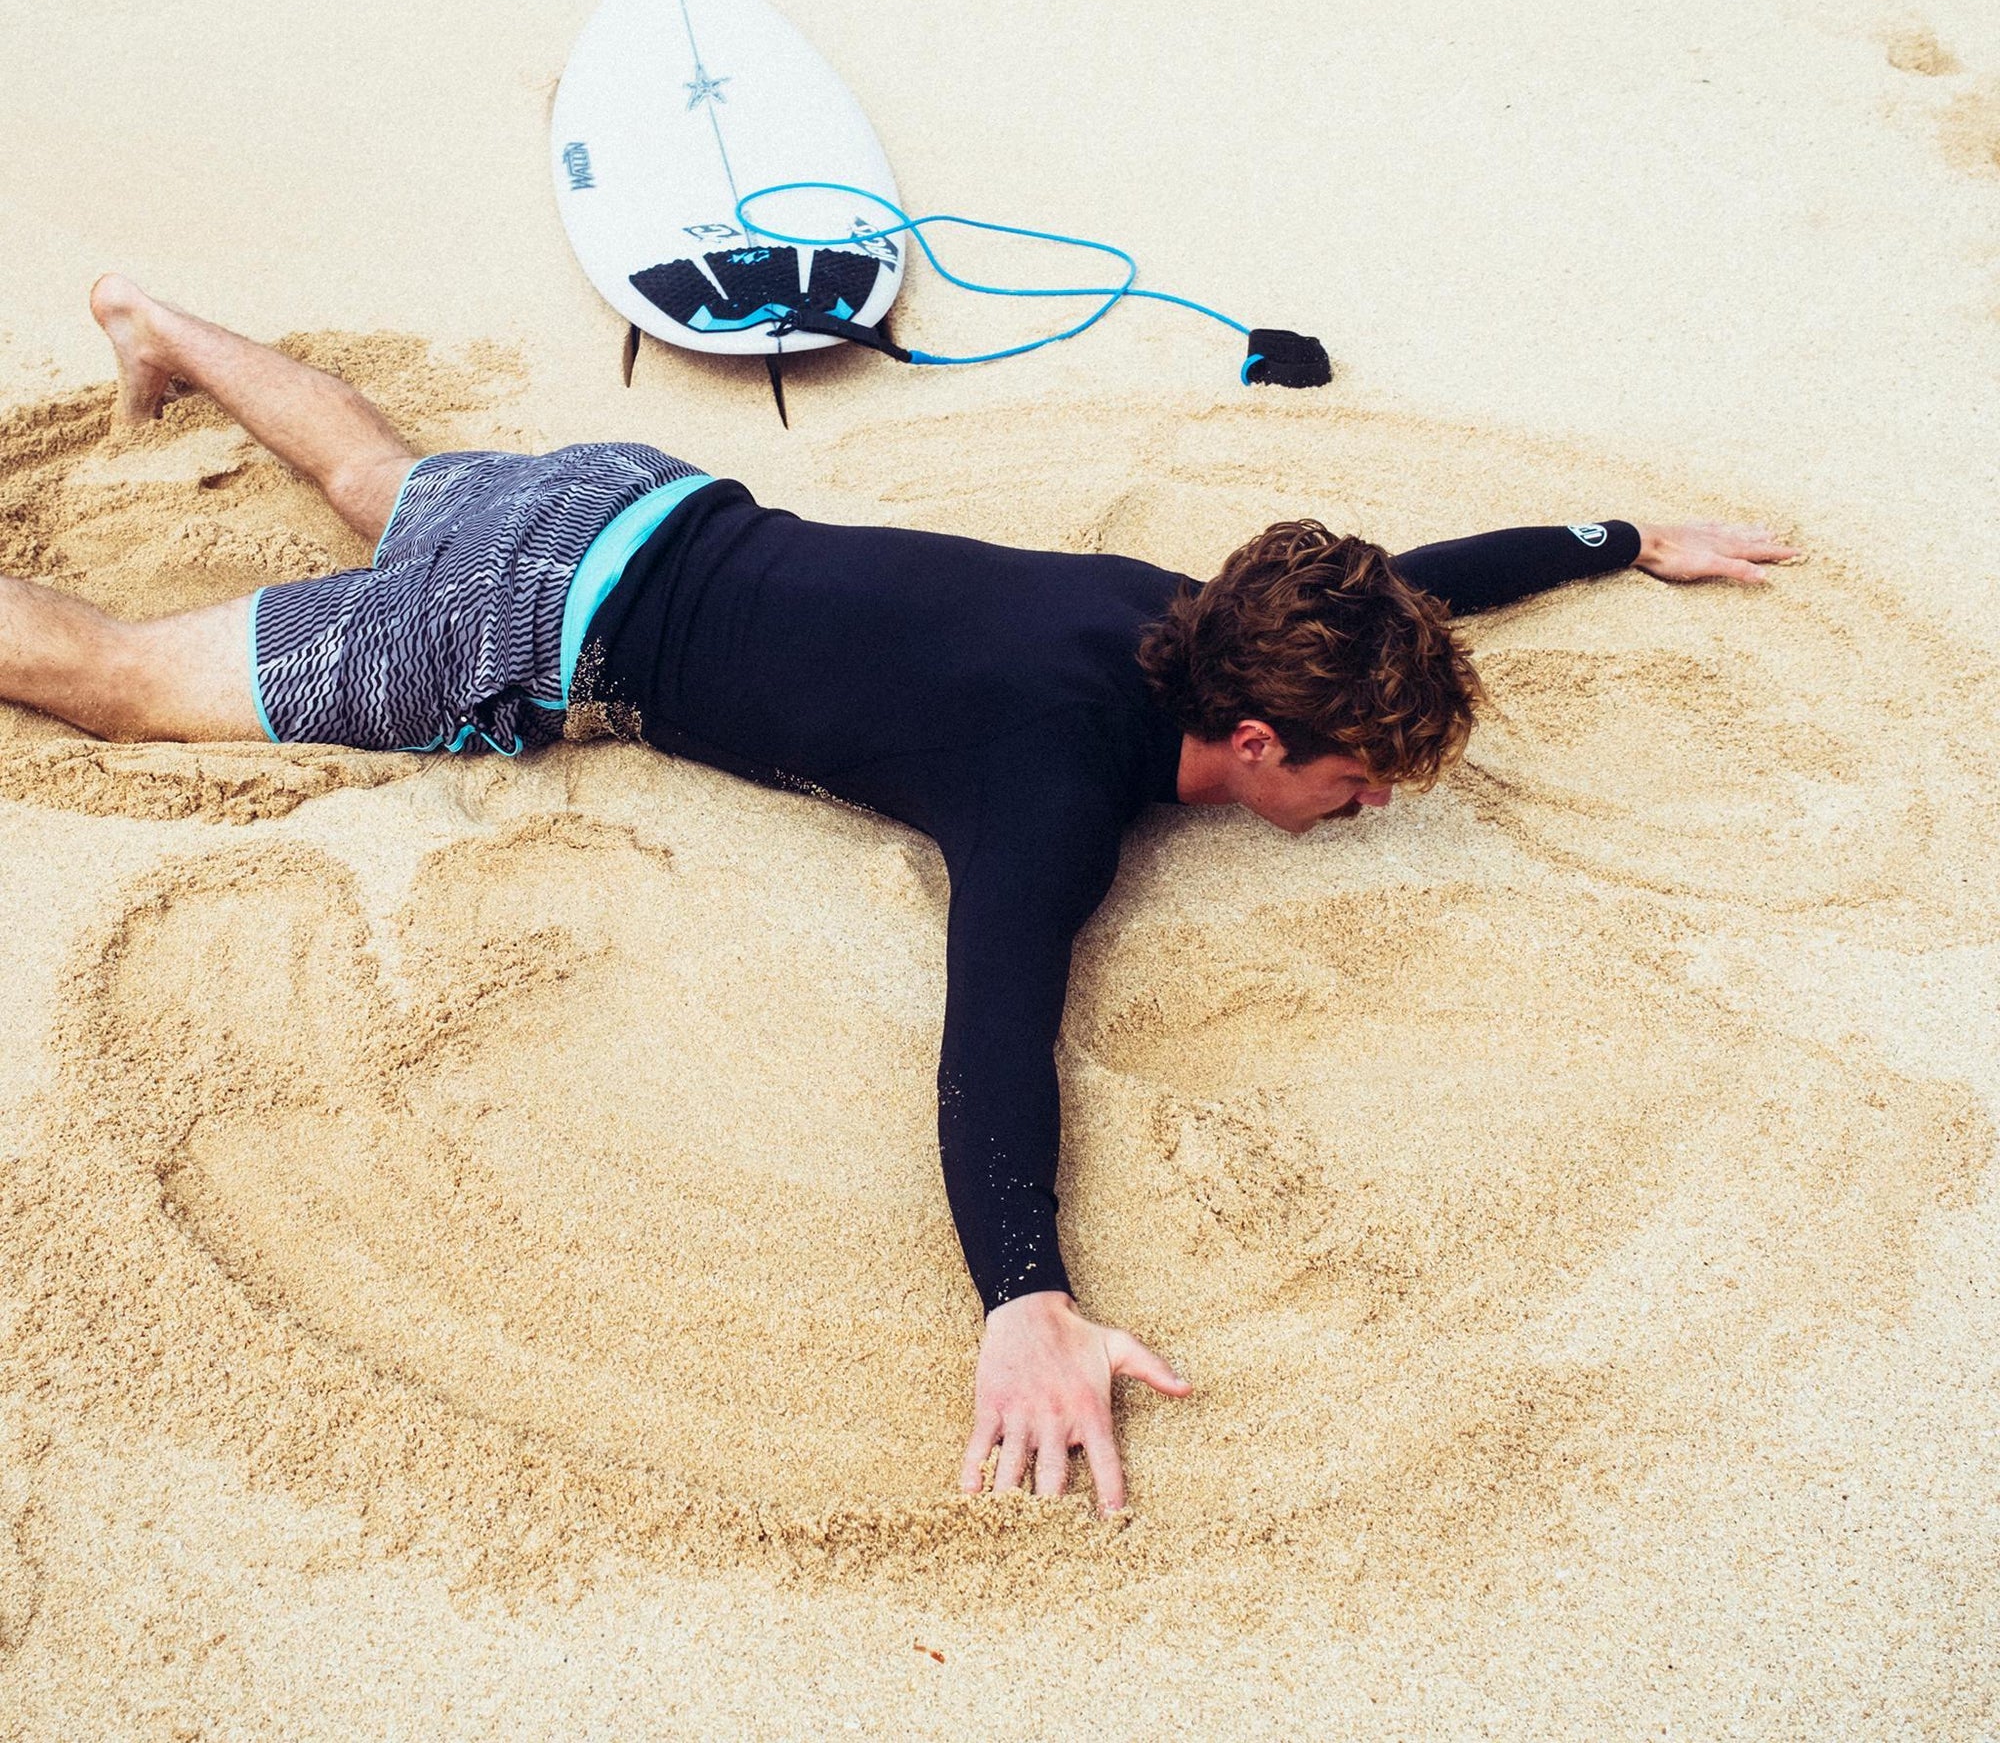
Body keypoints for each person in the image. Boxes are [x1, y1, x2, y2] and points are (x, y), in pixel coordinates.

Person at [1, 278, 1799, 1512]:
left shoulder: (1191, 610)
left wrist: (1616, 542)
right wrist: (1026, 1297)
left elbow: (1407, 582)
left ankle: (154, 322)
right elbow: (992, 1051)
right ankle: (141, 370)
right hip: (528, 629)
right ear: (1252, 740)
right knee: (122, 682)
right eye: (1358, 777)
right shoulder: (1048, 783)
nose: (1375, 797)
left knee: (380, 477)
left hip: (626, 501)